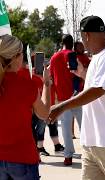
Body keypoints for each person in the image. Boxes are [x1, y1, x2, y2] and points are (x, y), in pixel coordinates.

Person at [49, 15, 105, 180]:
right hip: (92, 143)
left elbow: (98, 90)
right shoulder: (98, 57)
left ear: (87, 35)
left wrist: (62, 106)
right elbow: (98, 86)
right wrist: (82, 73)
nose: (83, 43)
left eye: (83, 38)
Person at [0, 34, 50, 180]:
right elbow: (44, 114)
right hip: (22, 158)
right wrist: (47, 84)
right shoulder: (27, 85)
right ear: (16, 57)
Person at [19, 45, 64, 156]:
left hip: (44, 105)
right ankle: (40, 148)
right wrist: (45, 82)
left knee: (46, 126)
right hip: (37, 108)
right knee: (40, 128)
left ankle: (48, 148)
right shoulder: (28, 76)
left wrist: (46, 80)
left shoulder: (40, 74)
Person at [50, 34, 82, 166]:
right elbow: (75, 72)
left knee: (66, 129)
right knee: (84, 126)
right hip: (76, 96)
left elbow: (51, 76)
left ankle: (68, 156)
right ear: (72, 43)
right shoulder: (72, 54)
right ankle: (90, 153)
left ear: (61, 42)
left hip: (61, 98)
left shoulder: (54, 57)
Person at [71, 41, 91, 139]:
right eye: (79, 47)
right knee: (73, 111)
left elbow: (90, 66)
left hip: (84, 84)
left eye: (82, 46)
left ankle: (84, 131)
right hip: (75, 85)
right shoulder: (74, 57)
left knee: (84, 111)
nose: (82, 48)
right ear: (75, 48)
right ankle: (72, 133)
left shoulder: (85, 57)